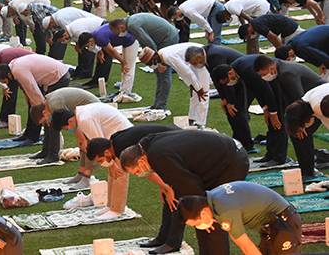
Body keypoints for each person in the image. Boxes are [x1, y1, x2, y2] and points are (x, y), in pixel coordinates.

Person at [120, 131, 249, 255]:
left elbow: (192, 189)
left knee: (212, 215)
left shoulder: (158, 157)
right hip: (220, 157)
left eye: (137, 171)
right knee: (203, 216)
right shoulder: (146, 146)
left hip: (232, 161)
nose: (139, 175)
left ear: (141, 161)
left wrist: (202, 213)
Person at [51, 102, 132, 219]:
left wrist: (111, 164)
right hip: (116, 136)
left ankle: (117, 209)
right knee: (112, 172)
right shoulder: (80, 114)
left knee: (119, 173)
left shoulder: (84, 119)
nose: (69, 130)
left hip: (123, 137)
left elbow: (100, 144)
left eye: (66, 128)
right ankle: (111, 205)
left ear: (69, 122)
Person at [178, 181, 302, 255]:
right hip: (274, 223)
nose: (199, 227)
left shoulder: (225, 212)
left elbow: (245, 246)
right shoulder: (214, 197)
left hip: (284, 223)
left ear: (204, 213)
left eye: (196, 224)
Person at [253, 55, 325, 178]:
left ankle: (308, 171)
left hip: (320, 102)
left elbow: (299, 100)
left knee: (301, 134)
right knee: (296, 133)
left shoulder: (287, 74)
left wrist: (300, 124)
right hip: (308, 102)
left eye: (263, 74)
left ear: (271, 68)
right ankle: (306, 169)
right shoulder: (277, 70)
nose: (263, 77)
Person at [0, 54, 70, 162]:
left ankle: (53, 154)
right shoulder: (13, 67)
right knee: (44, 114)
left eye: (5, 81)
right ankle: (46, 150)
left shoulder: (18, 71)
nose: (7, 84)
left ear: (8, 76)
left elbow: (35, 93)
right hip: (54, 77)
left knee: (50, 118)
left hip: (59, 77)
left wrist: (43, 112)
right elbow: (30, 93)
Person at [30, 87, 99, 189]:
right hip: (85, 111)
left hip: (93, 110)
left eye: (45, 121)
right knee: (82, 145)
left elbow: (70, 121)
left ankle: (86, 178)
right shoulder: (49, 102)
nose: (47, 124)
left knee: (87, 145)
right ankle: (81, 174)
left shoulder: (55, 105)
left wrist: (81, 139)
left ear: (44, 113)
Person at [141, 42, 210, 127]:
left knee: (203, 93)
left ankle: (201, 123)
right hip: (192, 57)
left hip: (200, 56)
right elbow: (182, 72)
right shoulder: (162, 53)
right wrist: (192, 85)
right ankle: (192, 118)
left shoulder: (168, 57)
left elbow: (186, 72)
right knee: (194, 93)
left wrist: (198, 88)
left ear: (154, 60)